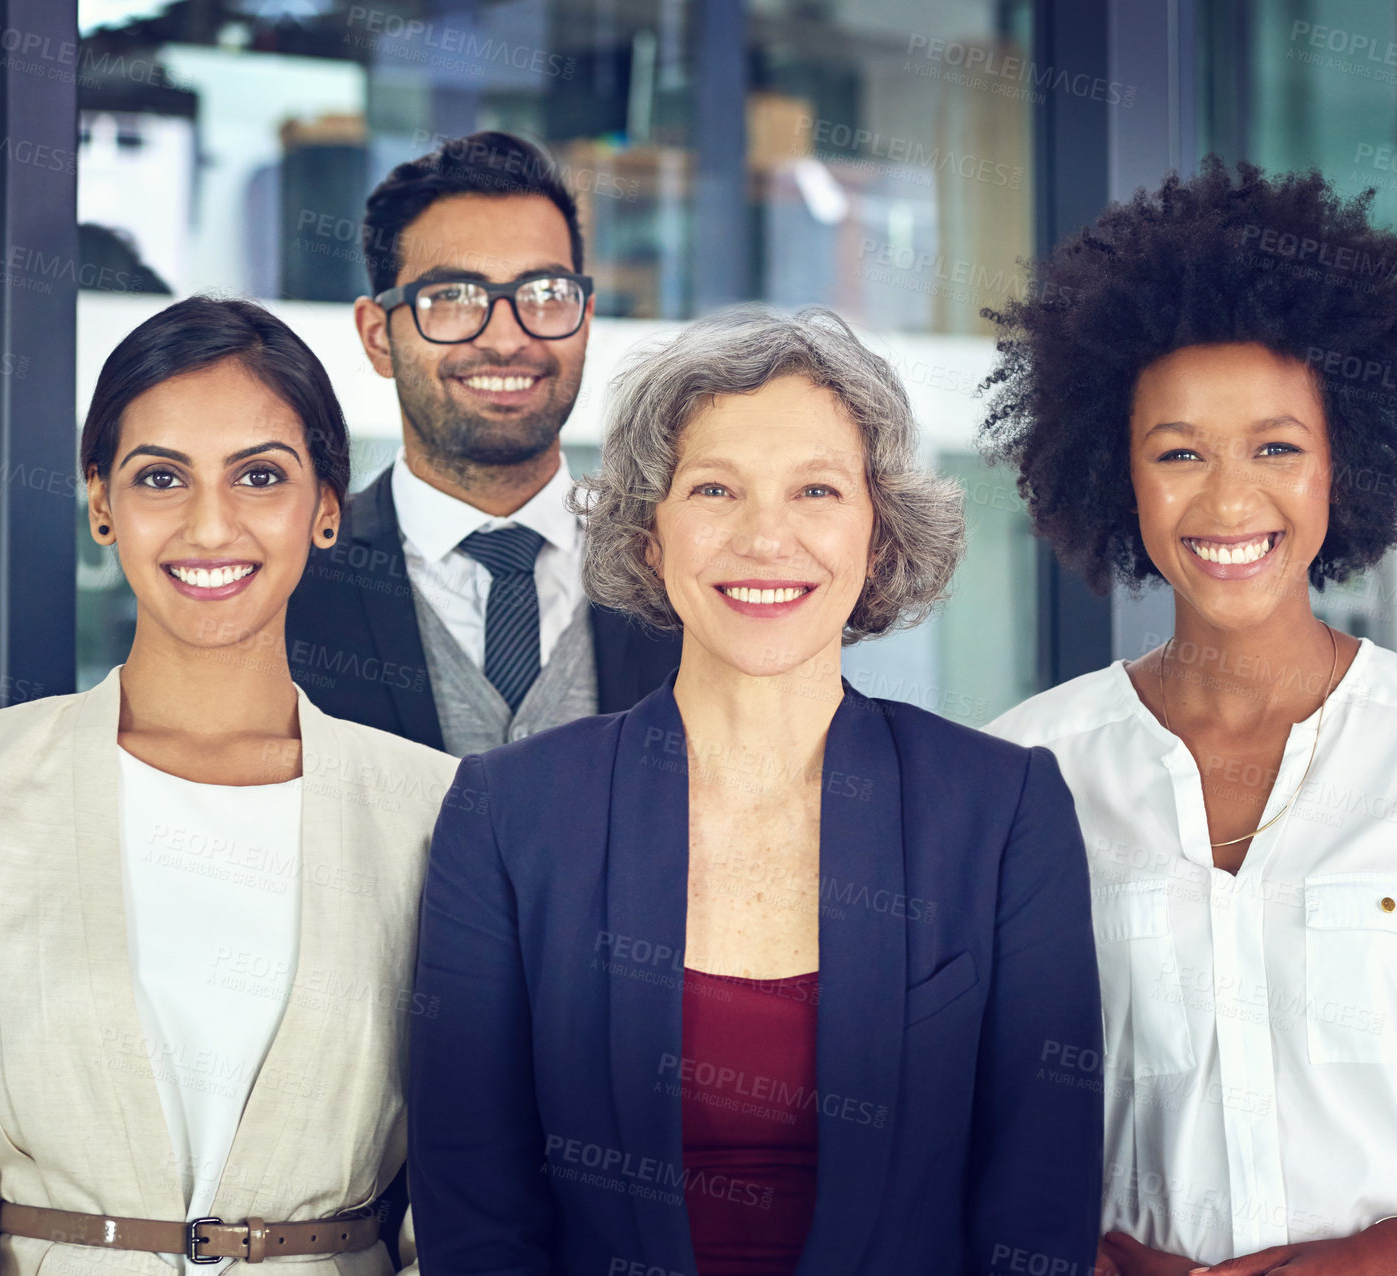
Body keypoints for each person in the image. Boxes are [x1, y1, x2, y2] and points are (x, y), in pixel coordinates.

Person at [407, 306, 1104, 1275]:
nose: (765, 537)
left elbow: (1038, 1219)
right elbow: (477, 1220)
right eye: (715, 489)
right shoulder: (508, 816)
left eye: (816, 490)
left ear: (878, 532)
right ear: (651, 535)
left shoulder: (1003, 812)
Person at [984, 158, 1397, 1276]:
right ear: (1118, 471)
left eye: (1277, 446)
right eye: (1179, 453)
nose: (1229, 502)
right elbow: (975, 1109)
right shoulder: (1028, 769)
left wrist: (1390, 1253)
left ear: (1344, 463)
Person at [0, 296, 456, 1273]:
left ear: (327, 507)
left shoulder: (434, 813)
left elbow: (464, 1196)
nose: (210, 523)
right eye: (160, 476)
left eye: (260, 475)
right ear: (101, 500)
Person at [285, 131, 680, 755]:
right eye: (452, 298)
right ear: (378, 336)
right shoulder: (289, 583)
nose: (505, 338)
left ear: (585, 317)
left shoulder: (678, 571)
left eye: (545, 295)